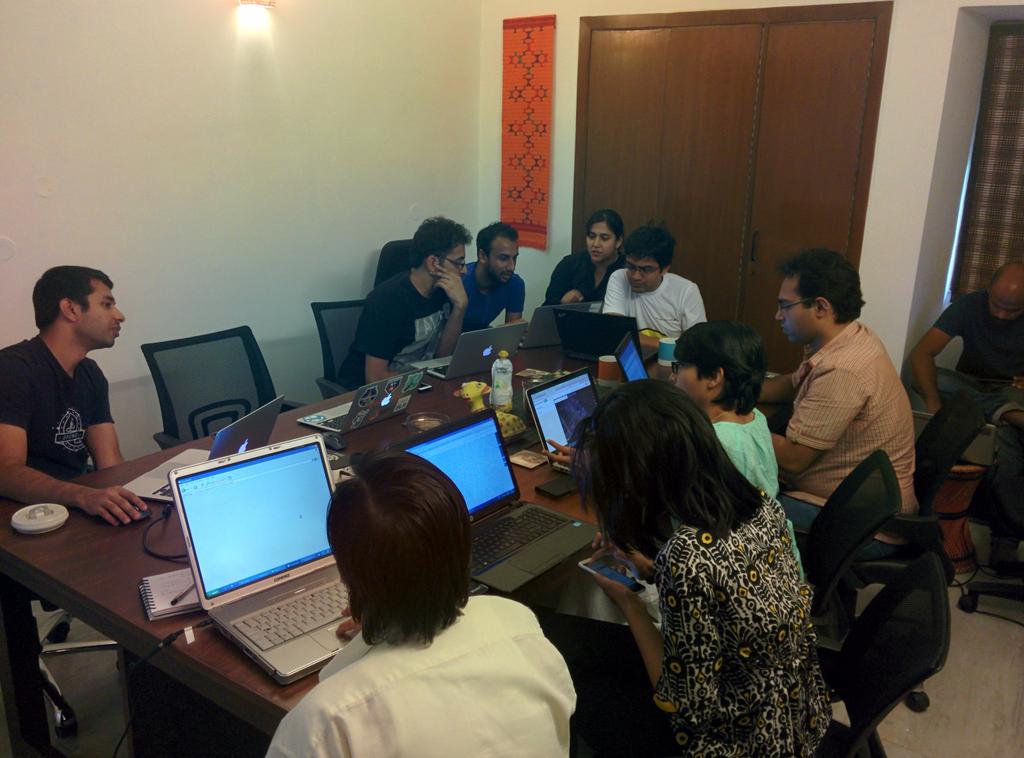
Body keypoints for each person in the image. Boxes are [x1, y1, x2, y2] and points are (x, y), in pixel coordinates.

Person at [551, 381, 828, 756]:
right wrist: (648, 566)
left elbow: (683, 705)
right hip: (794, 709)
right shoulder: (761, 505)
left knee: (565, 666)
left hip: (741, 740)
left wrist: (629, 605)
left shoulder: (688, 556)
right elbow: (723, 592)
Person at [266, 450, 575, 758]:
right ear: (465, 545)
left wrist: (382, 608)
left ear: (346, 573)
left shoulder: (324, 725)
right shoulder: (520, 627)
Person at [759, 249, 916, 556]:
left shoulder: (843, 368)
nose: (778, 316)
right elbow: (792, 383)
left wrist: (725, 419)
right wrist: (737, 390)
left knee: (728, 506)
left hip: (864, 523)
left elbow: (793, 458)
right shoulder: (848, 338)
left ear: (820, 307)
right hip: (861, 500)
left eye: (785, 306)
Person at [0, 266, 148, 525]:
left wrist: (140, 498)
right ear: (70, 309)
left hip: (75, 506)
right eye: (106, 304)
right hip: (25, 517)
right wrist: (82, 496)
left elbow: (109, 463)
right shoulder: (13, 369)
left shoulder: (90, 373)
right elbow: (6, 471)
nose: (119, 315)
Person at [908, 261, 1024, 556]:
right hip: (970, 387)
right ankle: (1003, 411)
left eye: (1012, 311)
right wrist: (934, 406)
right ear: (987, 291)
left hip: (1013, 393)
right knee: (922, 376)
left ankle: (1006, 535)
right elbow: (922, 352)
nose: (1000, 314)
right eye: (996, 305)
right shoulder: (969, 305)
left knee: (1010, 441)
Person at [337, 217, 470, 389]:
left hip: (417, 385)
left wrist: (460, 307)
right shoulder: (387, 301)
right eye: (459, 263)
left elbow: (442, 357)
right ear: (433, 263)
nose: (465, 270)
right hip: (367, 394)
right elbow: (375, 378)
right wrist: (424, 380)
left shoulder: (444, 291)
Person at [672, 320, 778, 498]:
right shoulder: (755, 416)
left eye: (680, 366)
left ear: (714, 376)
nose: (672, 376)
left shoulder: (715, 442)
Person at [602, 225, 706, 340]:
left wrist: (632, 338)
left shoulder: (686, 291)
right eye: (631, 266)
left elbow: (698, 345)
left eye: (646, 269)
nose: (636, 276)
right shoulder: (619, 277)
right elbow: (614, 331)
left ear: (665, 269)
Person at [543, 209, 626, 305]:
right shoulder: (569, 264)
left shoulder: (627, 270)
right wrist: (562, 302)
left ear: (618, 241)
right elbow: (546, 309)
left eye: (604, 238)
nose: (595, 244)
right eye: (591, 236)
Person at [461, 221, 525, 332]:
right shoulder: (460, 281)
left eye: (514, 258)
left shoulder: (514, 284)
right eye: (503, 258)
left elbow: (510, 335)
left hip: (482, 342)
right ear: (483, 256)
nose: (512, 267)